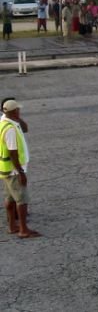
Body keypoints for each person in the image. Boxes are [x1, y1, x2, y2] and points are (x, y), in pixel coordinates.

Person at [0, 100, 39, 239]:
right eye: (17, 110)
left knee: (10, 198)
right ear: (13, 111)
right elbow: (13, 152)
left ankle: (12, 226)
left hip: (5, 169)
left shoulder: (4, 123)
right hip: (14, 170)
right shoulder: (10, 129)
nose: (19, 111)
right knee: (21, 199)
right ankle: (23, 229)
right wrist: (21, 172)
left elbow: (25, 128)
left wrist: (17, 118)